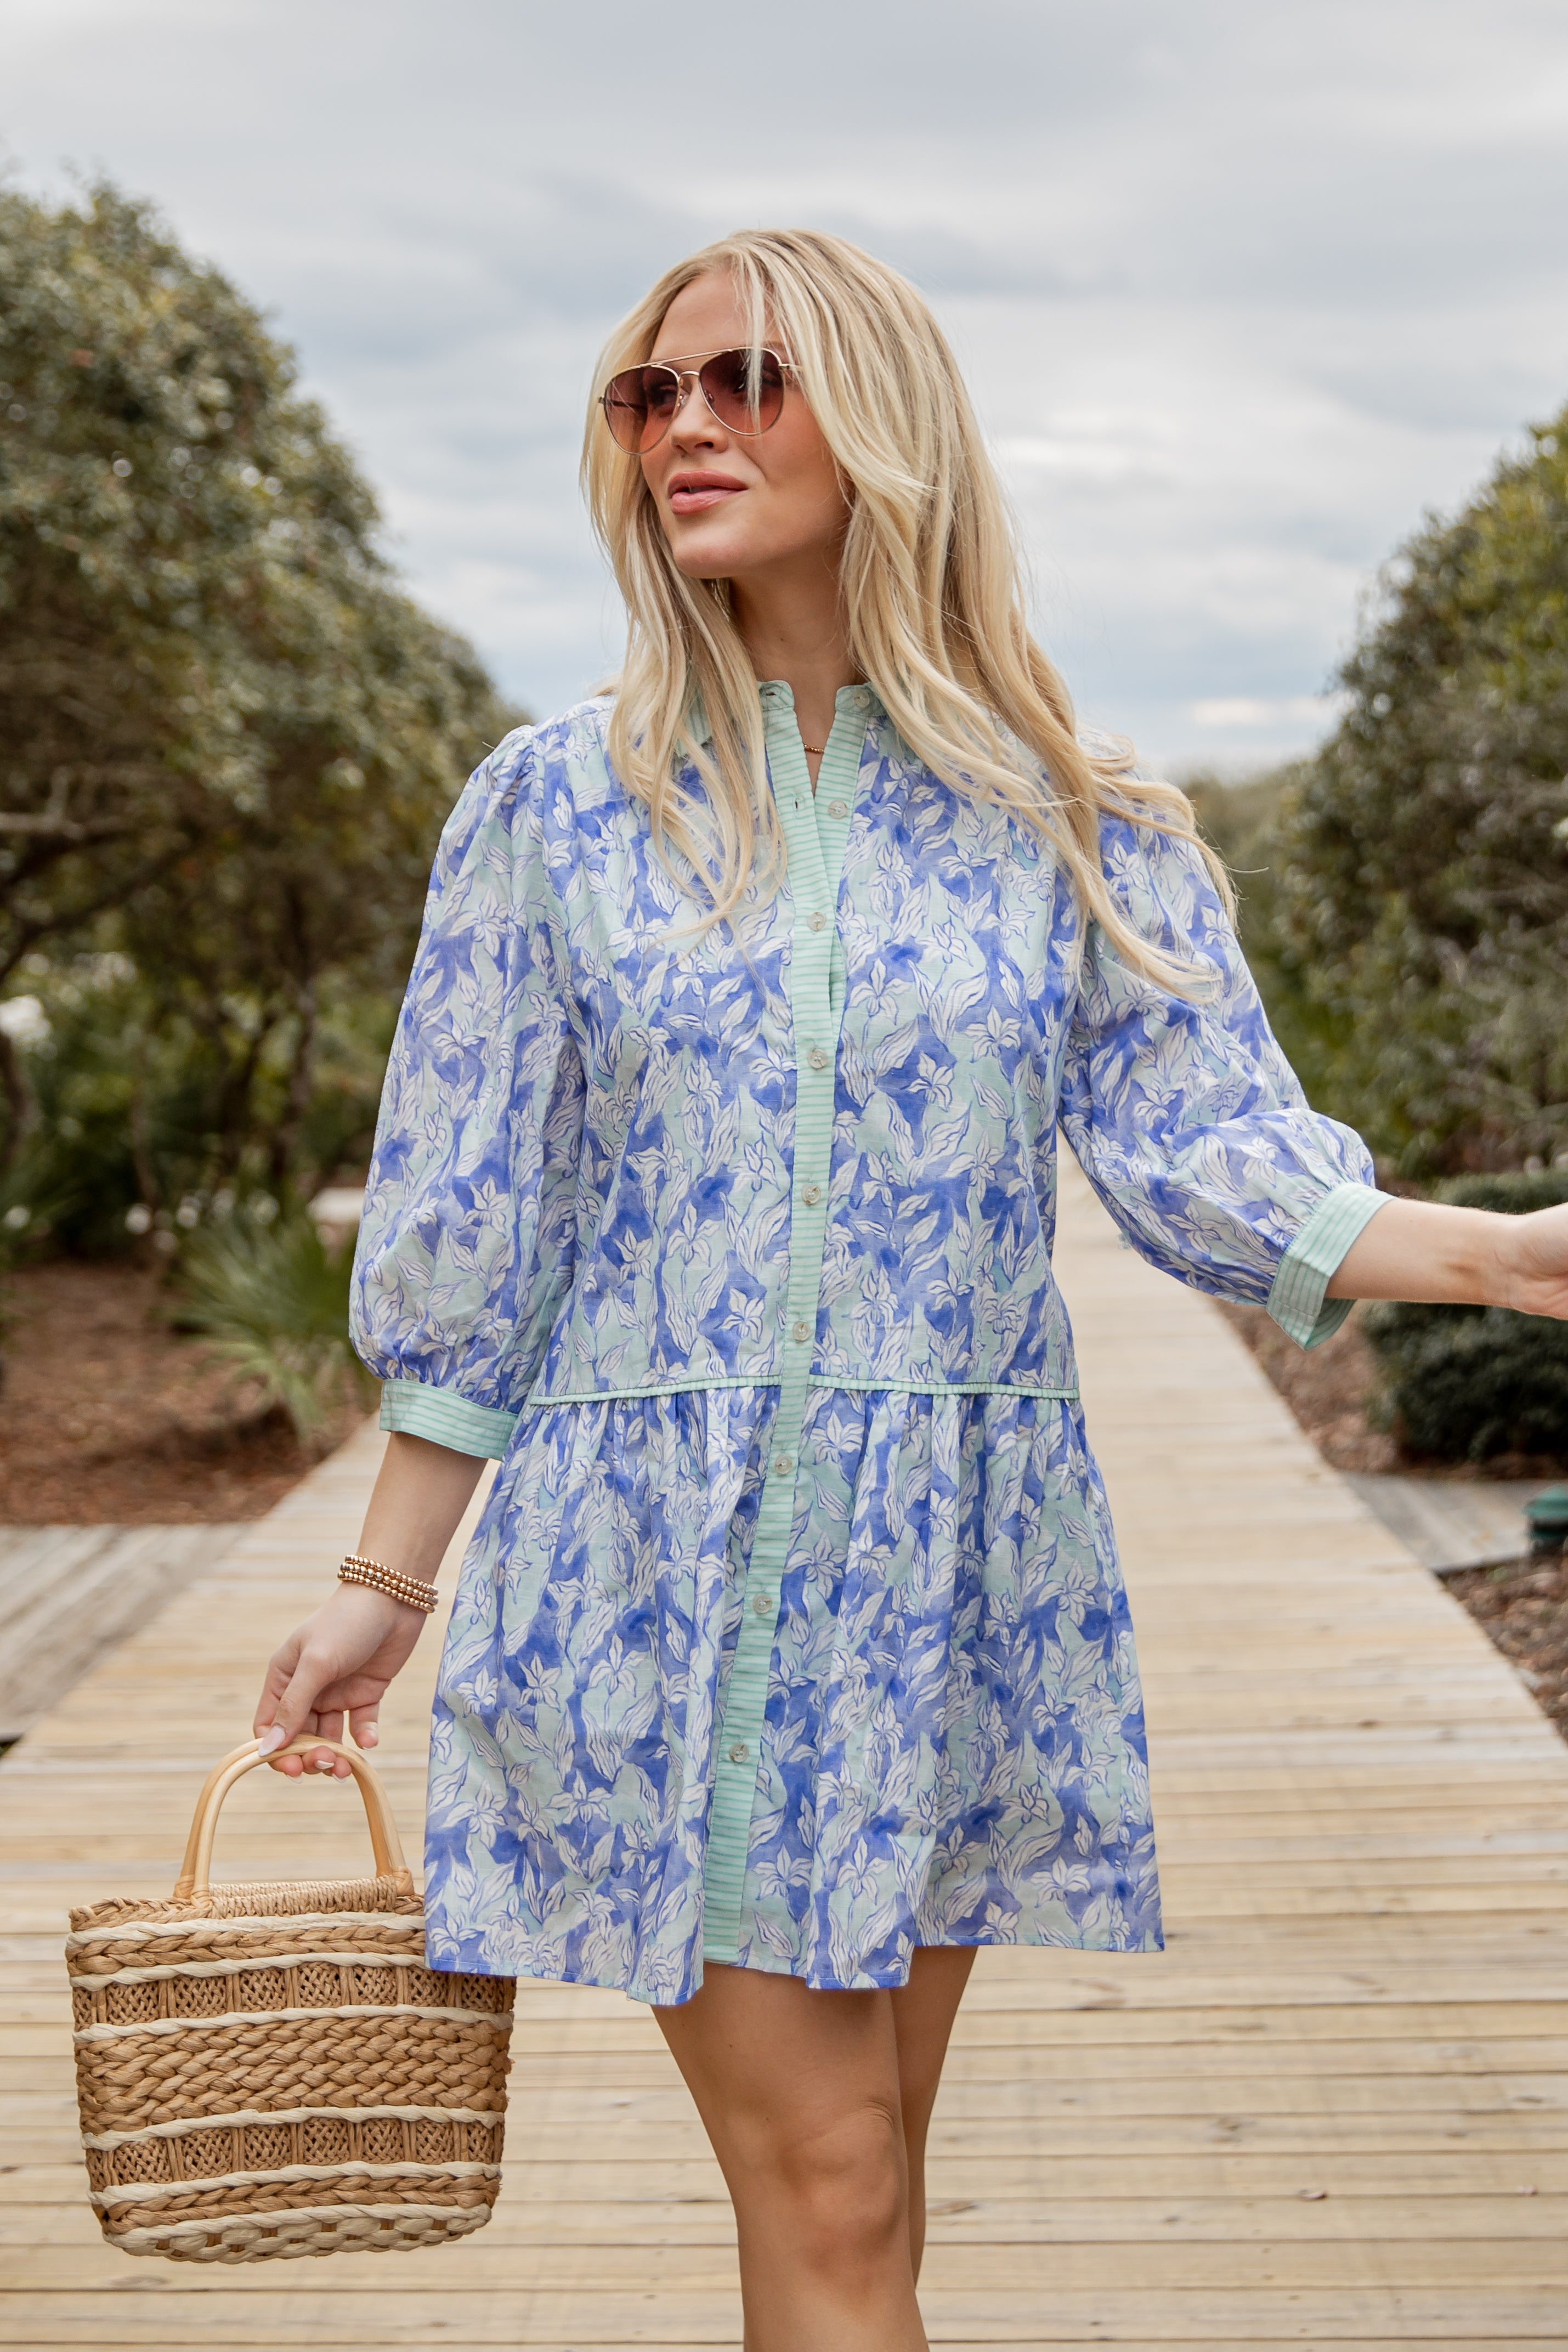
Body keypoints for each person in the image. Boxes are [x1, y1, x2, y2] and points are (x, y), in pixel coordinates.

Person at [252, 230, 1568, 2351]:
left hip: (946, 1583)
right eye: (646, 394)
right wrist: (386, 1592)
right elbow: (483, 1221)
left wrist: (1509, 1258)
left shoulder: (1068, 814)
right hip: (653, 1581)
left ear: (882, 423)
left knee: (864, 2201)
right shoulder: (555, 810)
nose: (686, 425)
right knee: (840, 2190)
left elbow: (1209, 1153)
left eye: (747, 380)